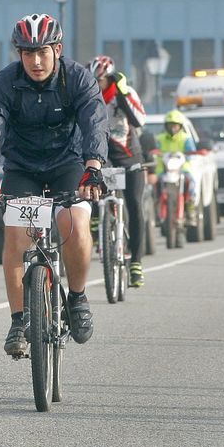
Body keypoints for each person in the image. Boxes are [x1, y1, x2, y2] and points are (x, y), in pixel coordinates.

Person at [0, 13, 109, 357]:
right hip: (22, 167)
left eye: (42, 52)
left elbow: (94, 119)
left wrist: (93, 165)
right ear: (19, 54)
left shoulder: (77, 77)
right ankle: (19, 320)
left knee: (75, 225)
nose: (35, 61)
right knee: (17, 235)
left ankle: (76, 298)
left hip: (68, 164)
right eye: (27, 53)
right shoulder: (4, 83)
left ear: (57, 50)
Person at [90, 55, 148, 288]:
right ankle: (97, 220)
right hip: (103, 157)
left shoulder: (125, 93)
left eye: (102, 80)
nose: (99, 83)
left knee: (134, 204)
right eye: (95, 80)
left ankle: (136, 262)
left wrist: (123, 94)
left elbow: (140, 120)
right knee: (88, 183)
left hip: (128, 155)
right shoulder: (89, 96)